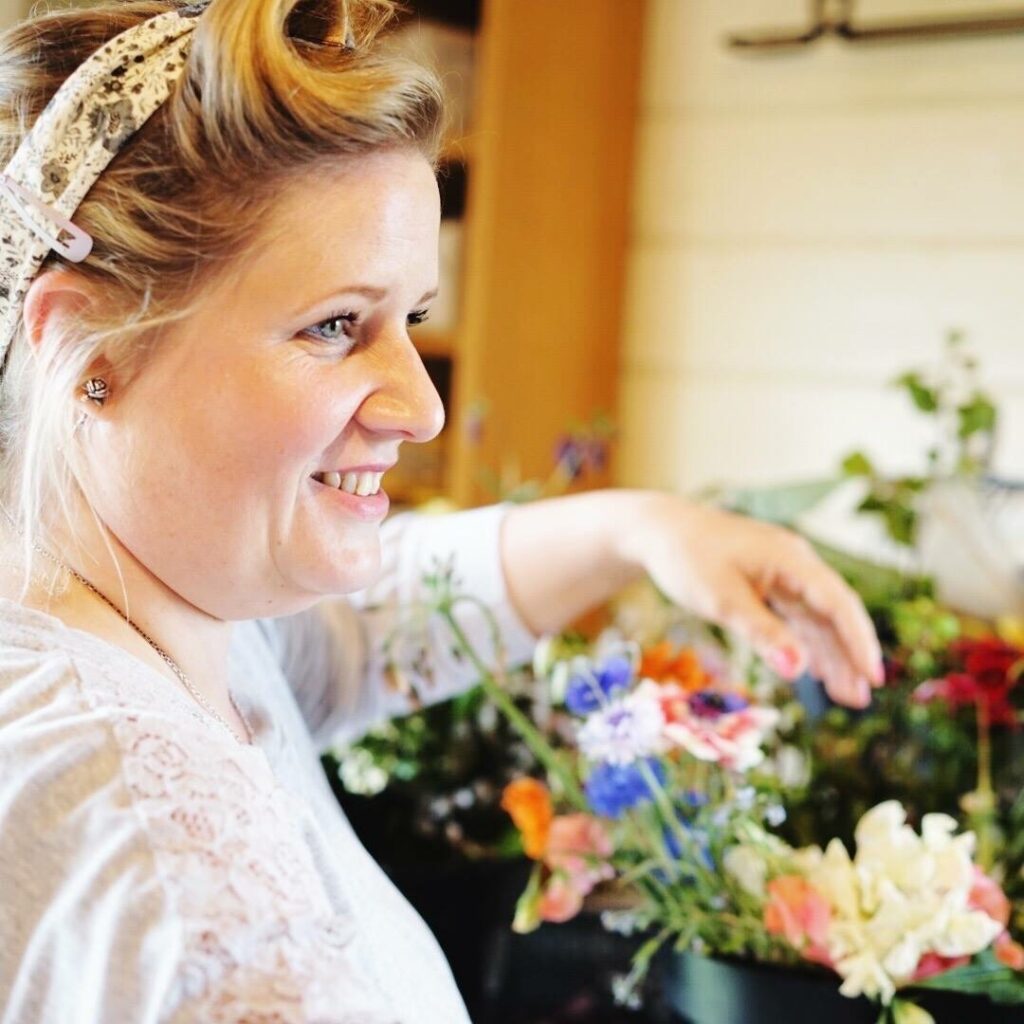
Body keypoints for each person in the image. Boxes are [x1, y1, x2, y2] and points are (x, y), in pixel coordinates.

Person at [0, 1, 884, 1020]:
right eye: (336, 325)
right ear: (93, 351)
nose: (421, 407)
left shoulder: (151, 612)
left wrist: (638, 530)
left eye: (411, 317)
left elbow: (359, 626)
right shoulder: (174, 884)